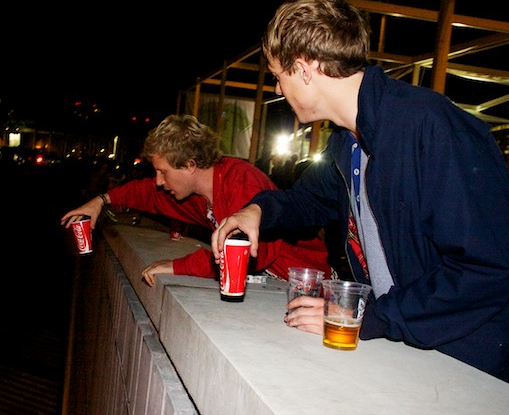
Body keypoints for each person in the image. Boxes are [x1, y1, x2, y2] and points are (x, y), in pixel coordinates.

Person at [211, 0, 509, 388]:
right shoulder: (349, 142)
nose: (277, 89)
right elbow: (305, 201)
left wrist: (369, 314)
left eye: (277, 76)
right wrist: (257, 211)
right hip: (414, 350)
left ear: (304, 69)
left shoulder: (430, 127)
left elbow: (488, 269)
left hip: (476, 367)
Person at [60, 114, 331, 286]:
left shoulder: (240, 181)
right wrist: (101, 200)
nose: (159, 181)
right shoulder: (199, 194)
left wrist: (178, 266)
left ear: (190, 165)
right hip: (277, 285)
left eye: (163, 172)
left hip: (308, 285)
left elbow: (248, 256)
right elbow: (148, 194)